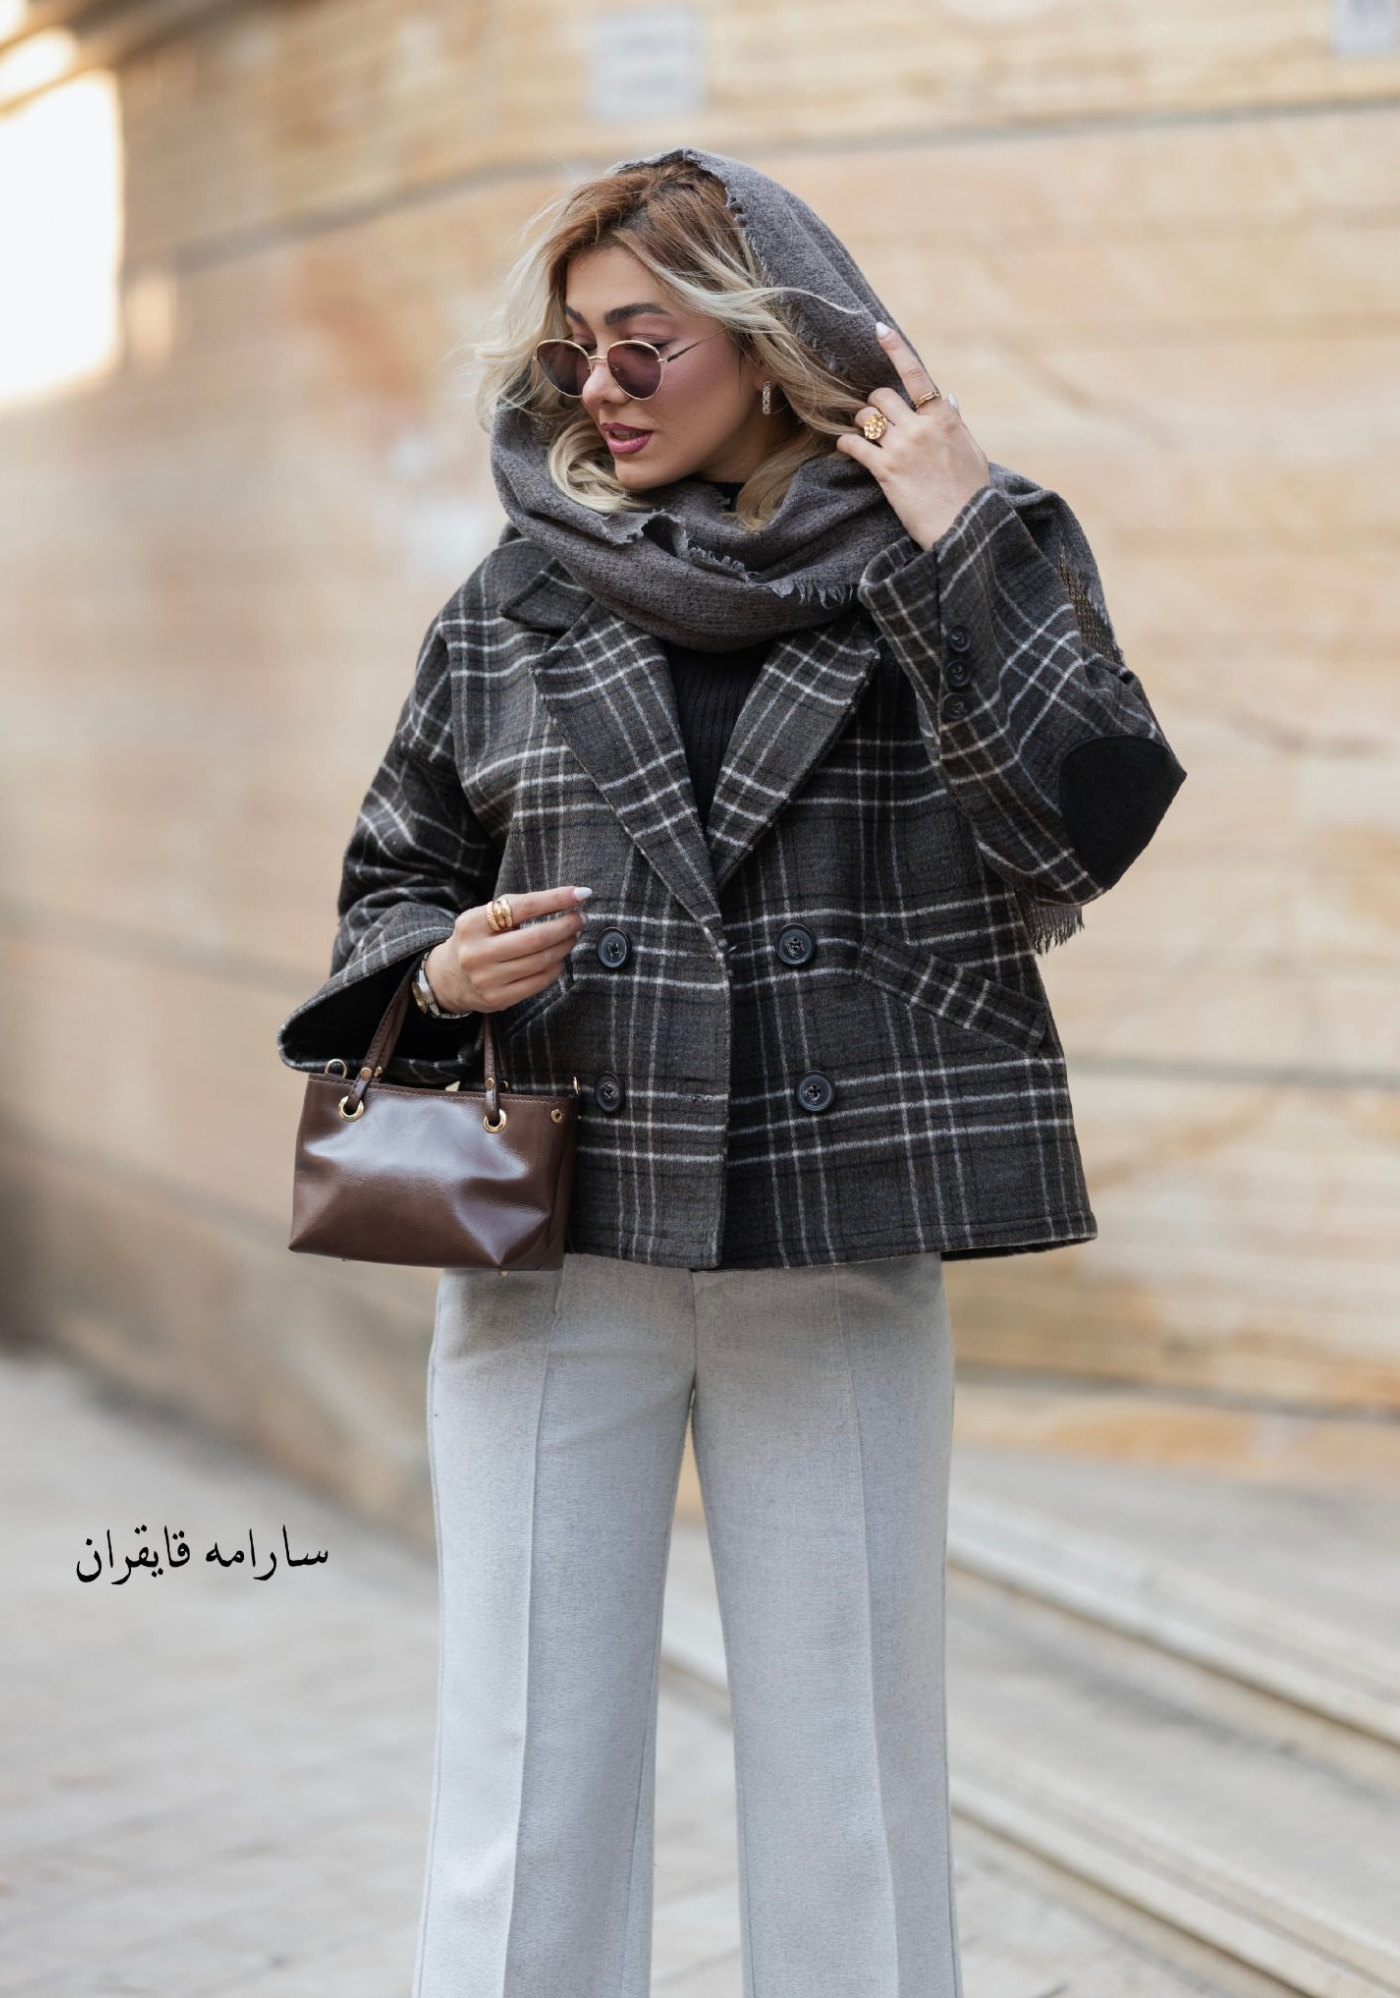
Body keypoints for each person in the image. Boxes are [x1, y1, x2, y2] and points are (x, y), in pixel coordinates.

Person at [276, 147, 1187, 1998]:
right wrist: (436, 970)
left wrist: (960, 532)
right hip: (556, 1231)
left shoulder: (962, 551)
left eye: (643, 341)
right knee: (523, 1766)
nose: (594, 385)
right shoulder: (512, 600)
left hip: (834, 1230)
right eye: (572, 346)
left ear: (772, 347)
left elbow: (1085, 825)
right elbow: (392, 876)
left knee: (852, 1775)